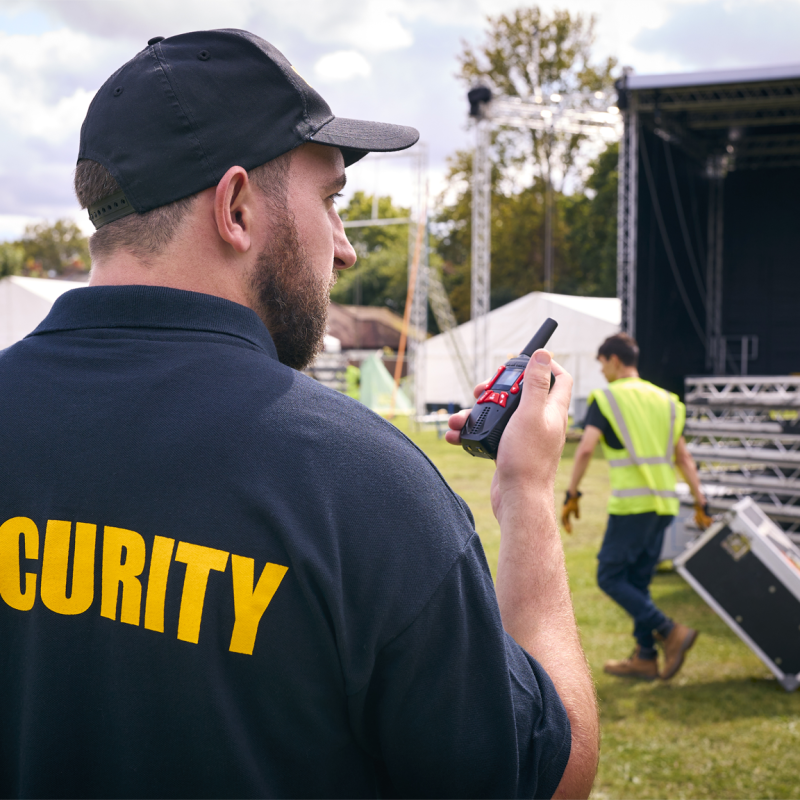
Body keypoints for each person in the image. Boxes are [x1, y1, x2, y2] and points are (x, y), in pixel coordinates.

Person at [0, 30, 598, 798]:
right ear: (238, 207)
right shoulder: (361, 484)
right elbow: (551, 777)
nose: (345, 250)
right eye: (330, 201)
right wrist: (528, 494)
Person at [562, 333, 712, 681]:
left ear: (614, 359)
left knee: (610, 576)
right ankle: (645, 657)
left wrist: (572, 494)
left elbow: (585, 449)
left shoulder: (607, 398)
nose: (601, 372)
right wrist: (700, 500)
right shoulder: (667, 401)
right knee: (638, 581)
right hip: (664, 506)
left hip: (632, 505)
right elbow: (683, 457)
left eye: (601, 364)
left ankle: (669, 630)